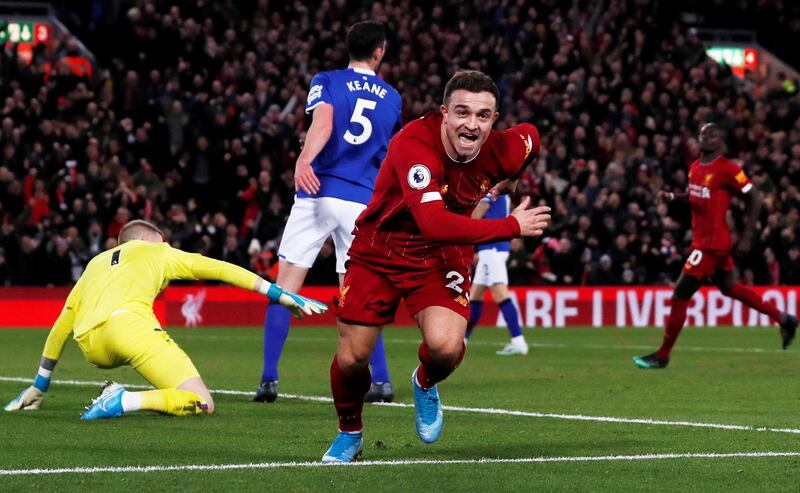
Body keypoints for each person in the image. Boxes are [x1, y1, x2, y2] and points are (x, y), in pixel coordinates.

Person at [321, 70, 551, 463]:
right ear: (444, 113)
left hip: (440, 254)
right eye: (462, 113)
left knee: (445, 347)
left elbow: (531, 137)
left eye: (482, 116)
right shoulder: (414, 144)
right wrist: (512, 226)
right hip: (380, 251)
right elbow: (432, 221)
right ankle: (350, 432)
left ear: (494, 120)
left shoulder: (506, 148)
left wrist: (511, 180)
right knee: (352, 357)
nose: (471, 124)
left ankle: (424, 381)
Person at [4, 220, 327, 418]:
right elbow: (220, 269)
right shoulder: (156, 251)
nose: (167, 247)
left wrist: (40, 384)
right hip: (128, 328)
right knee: (202, 401)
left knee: (176, 388)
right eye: (162, 241)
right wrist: (280, 293)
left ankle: (117, 398)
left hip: (91, 345)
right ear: (147, 240)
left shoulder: (95, 264)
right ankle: (124, 399)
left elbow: (63, 324)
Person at [256, 20, 401, 404]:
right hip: (362, 202)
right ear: (379, 52)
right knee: (359, 296)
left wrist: (305, 159)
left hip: (319, 192)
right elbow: (388, 157)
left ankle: (269, 379)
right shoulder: (392, 97)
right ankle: (382, 380)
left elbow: (324, 121)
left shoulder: (328, 80)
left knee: (285, 286)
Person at [634, 123, 798, 369]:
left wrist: (746, 237)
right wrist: (672, 197)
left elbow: (754, 196)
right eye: (703, 133)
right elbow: (694, 196)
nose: (706, 137)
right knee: (730, 287)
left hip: (711, 245)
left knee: (680, 293)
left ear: (719, 141)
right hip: (705, 243)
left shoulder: (728, 169)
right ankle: (784, 319)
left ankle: (663, 355)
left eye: (712, 135)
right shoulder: (695, 168)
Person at [464, 193, 528, 355]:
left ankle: (518, 341)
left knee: (500, 295)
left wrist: (460, 220)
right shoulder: (497, 190)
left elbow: (479, 211)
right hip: (490, 249)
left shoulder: (492, 189)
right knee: (475, 296)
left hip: (493, 249)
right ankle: (462, 340)